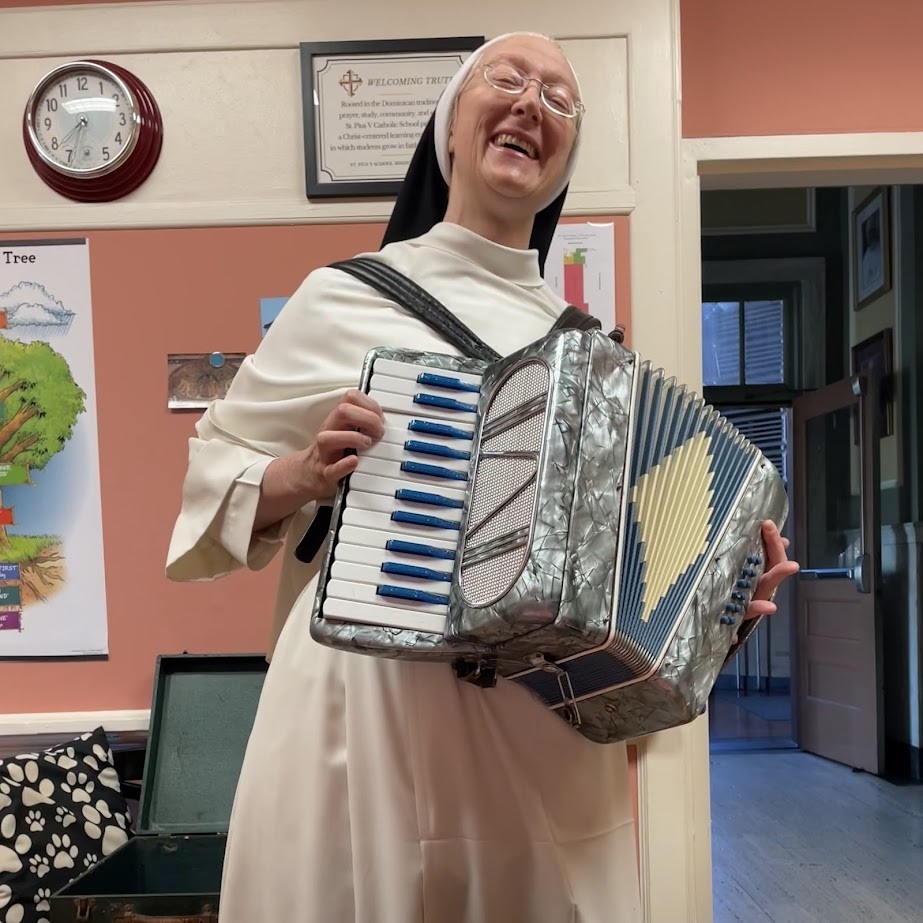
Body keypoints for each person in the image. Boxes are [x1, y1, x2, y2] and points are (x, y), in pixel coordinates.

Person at [166, 31, 798, 923]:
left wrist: (716, 611)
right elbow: (213, 476)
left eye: (558, 98)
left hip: (533, 737)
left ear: (563, 158)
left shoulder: (597, 359)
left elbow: (623, 611)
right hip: (364, 722)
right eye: (506, 80)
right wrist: (301, 473)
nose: (531, 103)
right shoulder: (345, 295)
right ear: (449, 134)